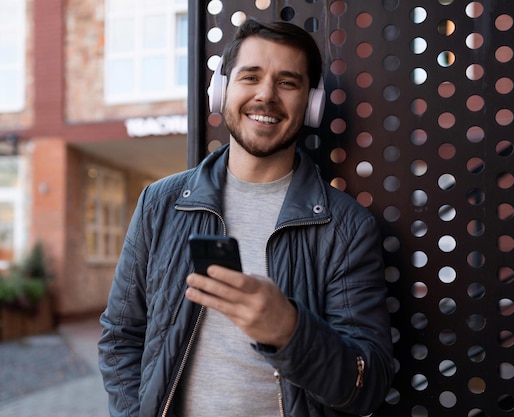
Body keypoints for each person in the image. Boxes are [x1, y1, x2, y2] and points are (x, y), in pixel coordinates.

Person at [98, 18, 394, 417]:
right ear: (222, 91)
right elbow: (120, 337)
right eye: (250, 77)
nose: (266, 96)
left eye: (288, 83)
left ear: (311, 104)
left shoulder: (347, 228)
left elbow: (368, 384)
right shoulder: (160, 203)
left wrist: (290, 331)